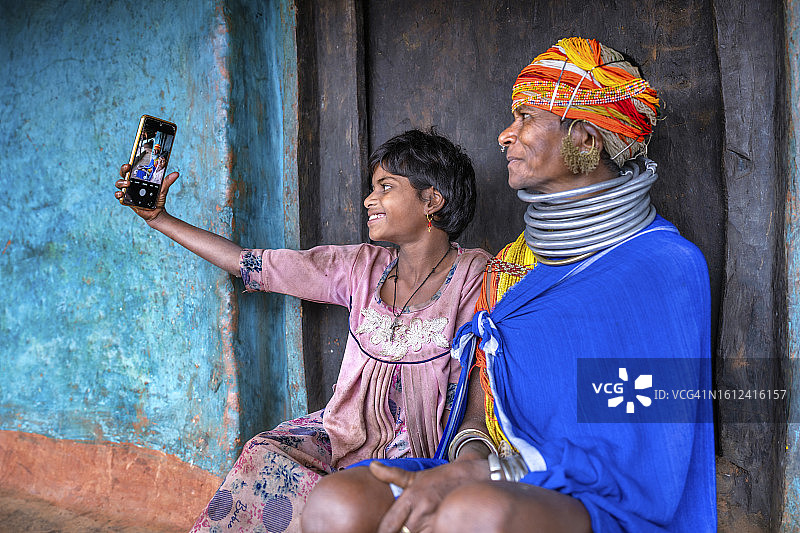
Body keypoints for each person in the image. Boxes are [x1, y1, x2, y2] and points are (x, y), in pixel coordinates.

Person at [301, 37, 716, 533]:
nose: (505, 135)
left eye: (526, 118)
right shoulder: (514, 265)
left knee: (474, 512)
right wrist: (468, 459)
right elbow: (481, 402)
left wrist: (488, 476)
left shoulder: (663, 268)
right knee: (339, 502)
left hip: (595, 493)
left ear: (585, 140)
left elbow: (638, 448)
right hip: (492, 474)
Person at [114, 128, 491, 533]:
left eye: (386, 187)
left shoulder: (478, 278)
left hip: (420, 449)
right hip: (342, 435)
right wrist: (160, 219)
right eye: (372, 188)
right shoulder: (361, 267)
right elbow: (248, 263)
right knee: (265, 452)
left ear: (431, 200)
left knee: (340, 502)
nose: (369, 199)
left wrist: (469, 461)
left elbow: (486, 382)